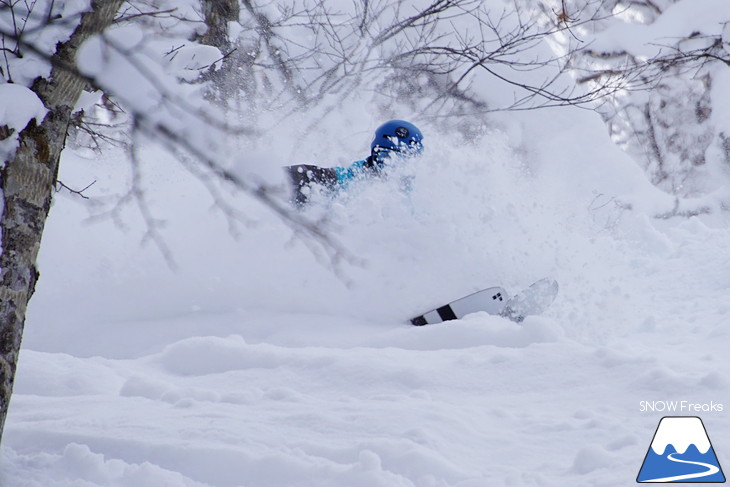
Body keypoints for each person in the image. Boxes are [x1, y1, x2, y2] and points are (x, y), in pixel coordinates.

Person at [286, 120, 424, 206]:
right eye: (385, 157)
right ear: (373, 155)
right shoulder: (353, 177)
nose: (390, 168)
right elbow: (317, 175)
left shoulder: (420, 197)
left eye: (401, 162)